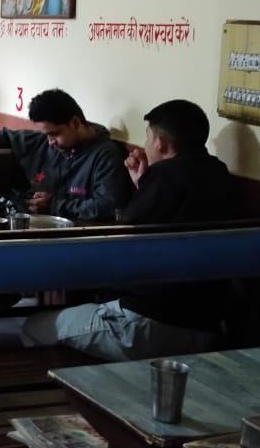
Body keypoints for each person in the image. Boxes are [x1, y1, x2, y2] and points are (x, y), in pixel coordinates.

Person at [20, 99, 244, 361]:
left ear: (161, 143)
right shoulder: (220, 175)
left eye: (147, 138)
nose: (145, 145)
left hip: (149, 324)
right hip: (210, 327)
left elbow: (122, 241)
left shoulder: (163, 177)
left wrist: (147, 185)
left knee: (33, 327)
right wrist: (144, 184)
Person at [0, 88, 130, 221]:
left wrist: (54, 206)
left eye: (54, 134)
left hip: (68, 232)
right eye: (46, 135)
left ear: (75, 123)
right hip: (25, 215)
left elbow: (108, 207)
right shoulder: (42, 141)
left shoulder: (105, 156)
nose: (50, 142)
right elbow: (3, 136)